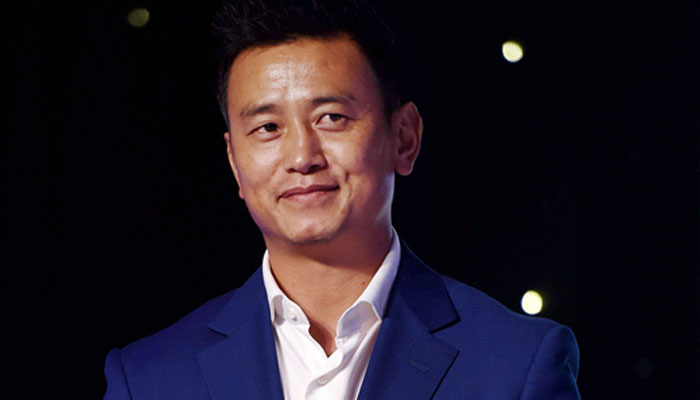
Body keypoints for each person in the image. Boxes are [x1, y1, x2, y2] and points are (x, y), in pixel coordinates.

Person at [103, 1, 580, 399]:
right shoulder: (149, 378)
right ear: (234, 162)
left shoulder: (516, 365)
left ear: (404, 138)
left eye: (331, 118)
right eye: (267, 128)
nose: (301, 157)